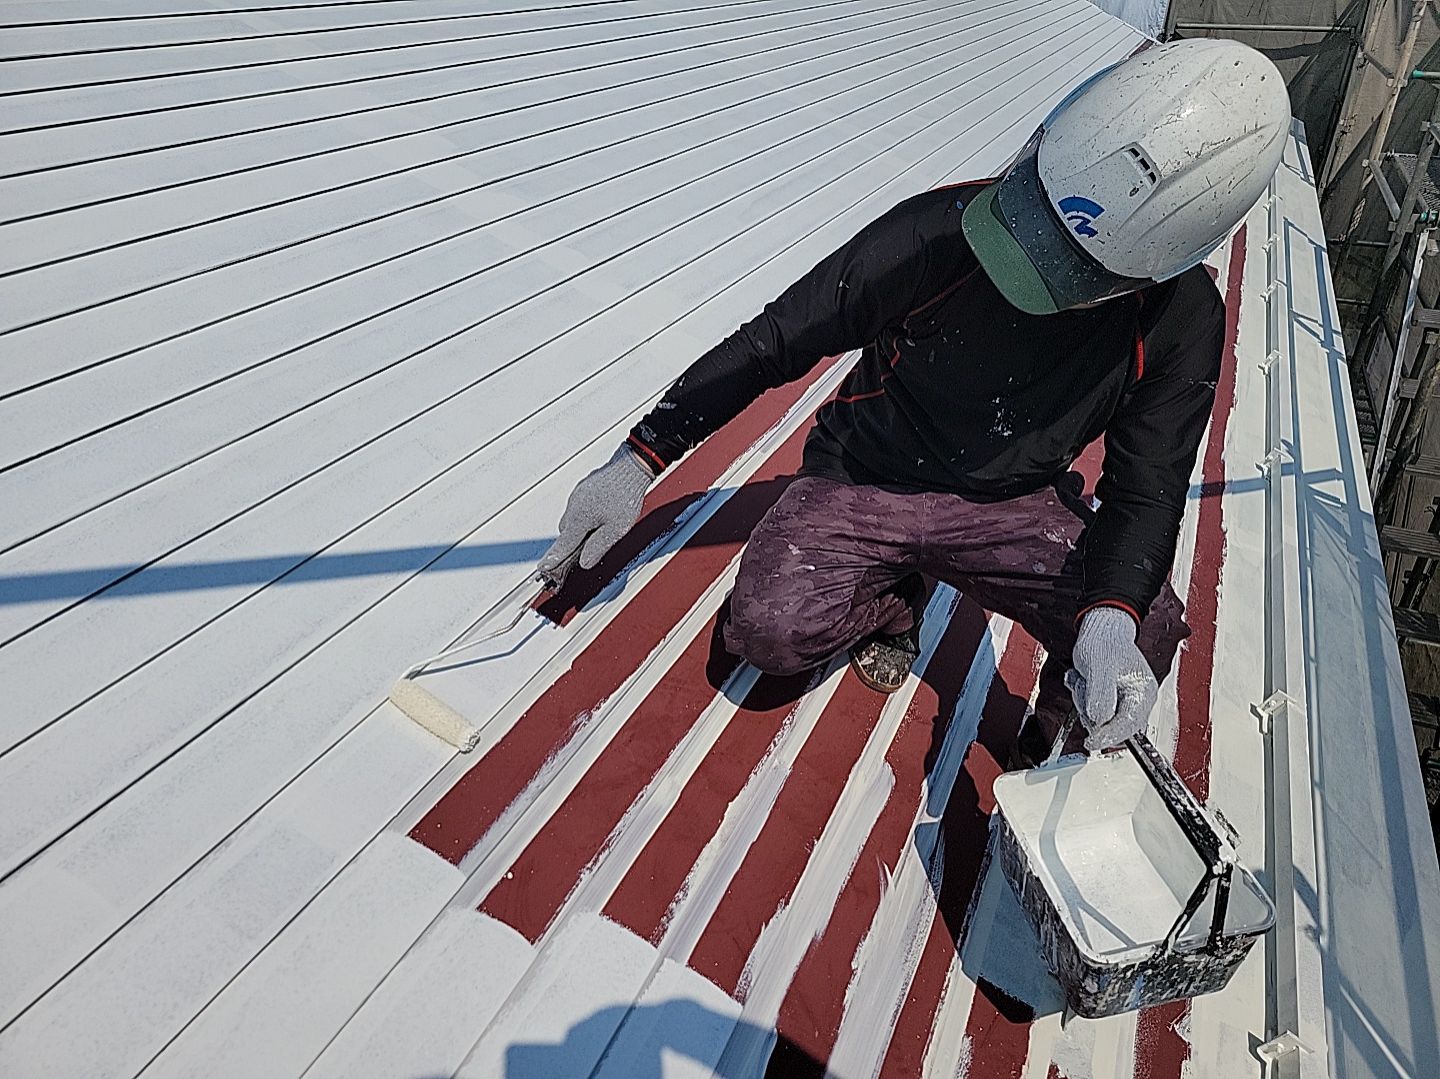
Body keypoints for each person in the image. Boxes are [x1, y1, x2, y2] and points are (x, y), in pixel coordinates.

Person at [537, 39, 1290, 760]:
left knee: (1144, 627)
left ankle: (1066, 726)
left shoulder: (1181, 323)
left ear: (1154, 268)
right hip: (867, 472)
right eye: (1029, 214)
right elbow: (777, 339)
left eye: (1070, 269)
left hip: (1015, 500)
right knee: (768, 631)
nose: (1029, 256)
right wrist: (639, 459)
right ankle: (899, 596)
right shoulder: (937, 233)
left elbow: (1147, 487)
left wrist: (1110, 616)